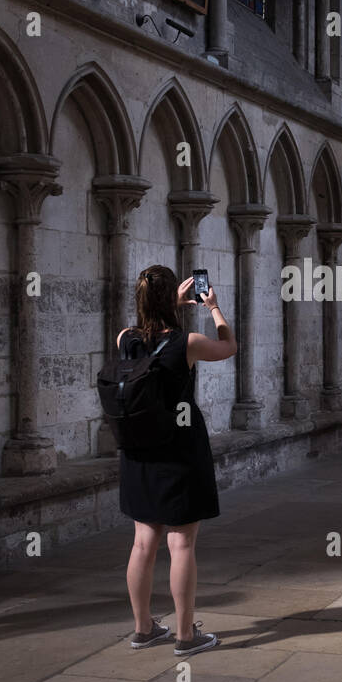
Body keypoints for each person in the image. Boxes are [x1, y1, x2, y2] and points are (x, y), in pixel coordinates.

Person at [118, 265, 235, 656]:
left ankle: (143, 629)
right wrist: (213, 307)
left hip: (139, 447)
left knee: (142, 543)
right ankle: (186, 636)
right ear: (174, 299)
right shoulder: (188, 342)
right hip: (180, 445)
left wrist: (166, 304)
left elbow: (147, 337)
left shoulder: (125, 338)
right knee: (181, 544)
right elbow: (229, 347)